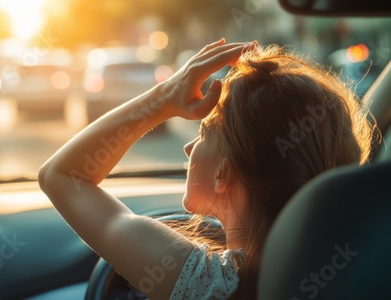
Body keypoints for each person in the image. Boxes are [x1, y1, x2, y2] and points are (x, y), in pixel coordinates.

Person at [38, 39, 373, 299]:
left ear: (222, 173)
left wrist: (165, 97)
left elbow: (62, 175)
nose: (187, 148)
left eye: (202, 133)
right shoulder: (362, 271)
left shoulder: (213, 285)